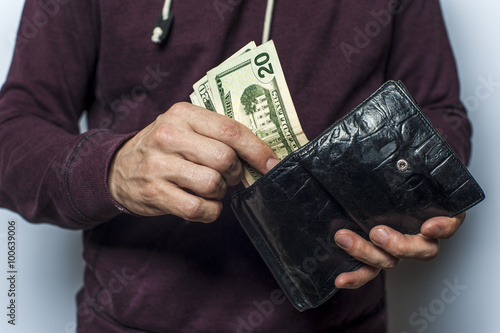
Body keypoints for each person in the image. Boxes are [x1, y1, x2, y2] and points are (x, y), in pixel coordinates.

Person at [0, 0, 470, 332]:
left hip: (338, 319)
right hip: (129, 322)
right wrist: (112, 169)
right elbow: (12, 135)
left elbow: (441, 112)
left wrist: (402, 199)